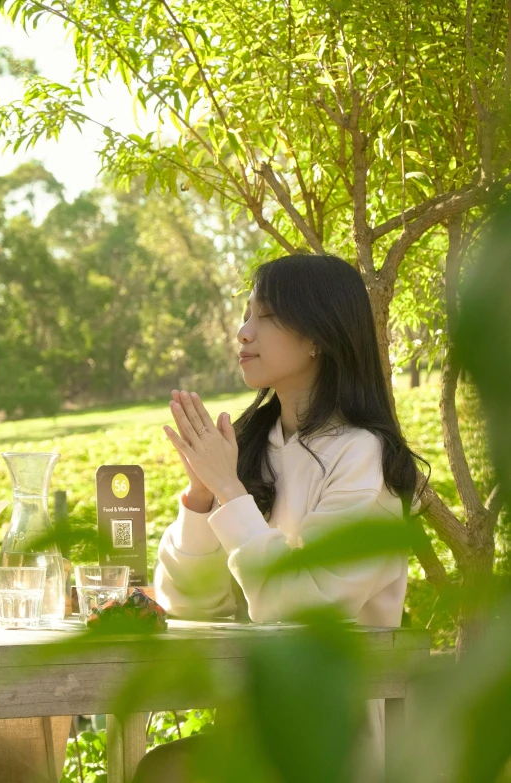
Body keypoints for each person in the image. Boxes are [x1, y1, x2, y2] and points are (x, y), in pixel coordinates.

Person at [135, 254, 428, 783]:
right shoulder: (254, 446)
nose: (243, 332)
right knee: (162, 769)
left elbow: (304, 602)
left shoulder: (363, 457)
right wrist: (202, 497)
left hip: (335, 738)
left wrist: (229, 490)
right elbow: (188, 604)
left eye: (263, 315)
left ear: (318, 333)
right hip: (257, 721)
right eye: (244, 314)